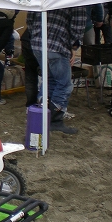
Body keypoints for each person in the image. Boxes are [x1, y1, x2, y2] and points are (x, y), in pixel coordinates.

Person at [26, 7, 86, 135]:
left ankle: (42, 116)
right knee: (64, 85)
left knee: (50, 81)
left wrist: (36, 34)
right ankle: (55, 121)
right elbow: (78, 23)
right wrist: (73, 46)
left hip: (38, 44)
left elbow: (30, 17)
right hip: (57, 45)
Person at [20, 28, 40, 108]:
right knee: (47, 77)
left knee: (30, 76)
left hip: (27, 40)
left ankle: (30, 105)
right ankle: (43, 104)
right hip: (38, 43)